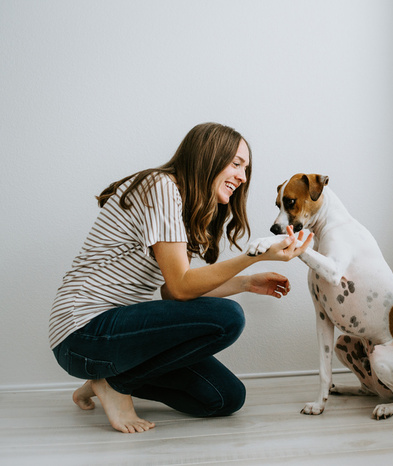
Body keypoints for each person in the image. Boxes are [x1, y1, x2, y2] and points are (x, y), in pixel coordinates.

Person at [49, 122, 312, 433]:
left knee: (225, 398)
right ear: (208, 157)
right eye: (236, 164)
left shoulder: (183, 204)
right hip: (81, 333)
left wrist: (246, 282)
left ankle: (101, 380)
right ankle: (116, 384)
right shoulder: (161, 186)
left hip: (111, 340)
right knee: (228, 318)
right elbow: (181, 287)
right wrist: (253, 256)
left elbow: (172, 293)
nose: (243, 177)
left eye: (245, 168)